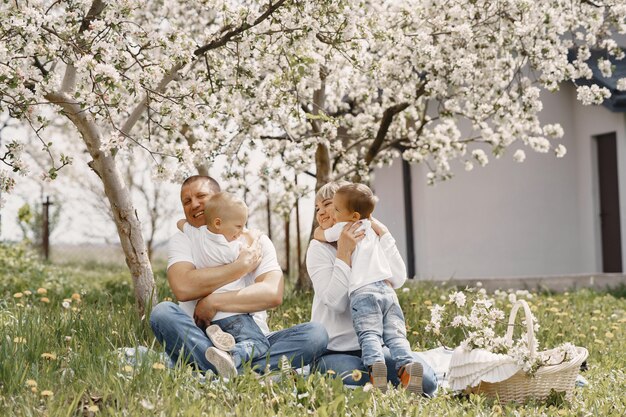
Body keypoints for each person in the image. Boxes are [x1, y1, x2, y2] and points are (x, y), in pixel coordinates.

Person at [150, 175, 328, 377]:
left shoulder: (255, 241)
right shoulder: (184, 239)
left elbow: (272, 294)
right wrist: (240, 267)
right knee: (162, 312)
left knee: (316, 335)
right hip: (197, 336)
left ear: (219, 198)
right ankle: (245, 371)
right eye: (187, 201)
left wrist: (213, 302)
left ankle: (216, 369)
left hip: (251, 337)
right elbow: (183, 288)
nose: (195, 204)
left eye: (201, 196)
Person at [307, 181, 438, 396]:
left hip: (376, 346)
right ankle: (379, 376)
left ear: (351, 211)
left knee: (426, 382)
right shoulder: (317, 249)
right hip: (335, 349)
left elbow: (399, 277)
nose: (320, 212)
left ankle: (396, 372)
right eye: (317, 208)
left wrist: (384, 233)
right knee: (358, 377)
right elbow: (336, 302)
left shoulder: (371, 237)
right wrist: (344, 253)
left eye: (328, 204)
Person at [175, 191, 270, 378]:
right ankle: (231, 357)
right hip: (234, 313)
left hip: (212, 318)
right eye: (239, 226)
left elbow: (181, 223)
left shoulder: (196, 235)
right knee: (260, 344)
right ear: (218, 223)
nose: (241, 231)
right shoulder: (231, 249)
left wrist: (186, 223)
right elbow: (252, 256)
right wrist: (253, 237)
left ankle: (211, 352)